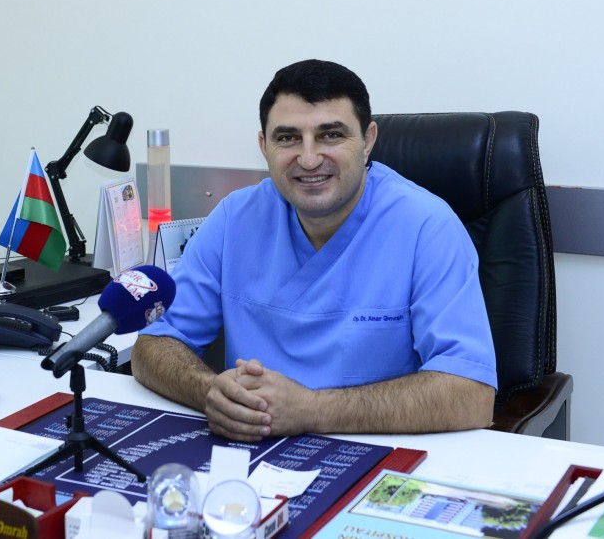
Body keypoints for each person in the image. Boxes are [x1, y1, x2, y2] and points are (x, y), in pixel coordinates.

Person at [131, 59, 497, 442]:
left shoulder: (427, 227)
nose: (308, 159)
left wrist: (312, 410)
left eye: (331, 135)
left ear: (368, 140)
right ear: (264, 146)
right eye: (288, 138)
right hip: (251, 448)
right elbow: (153, 345)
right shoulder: (234, 218)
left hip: (377, 450)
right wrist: (210, 392)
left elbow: (472, 393)